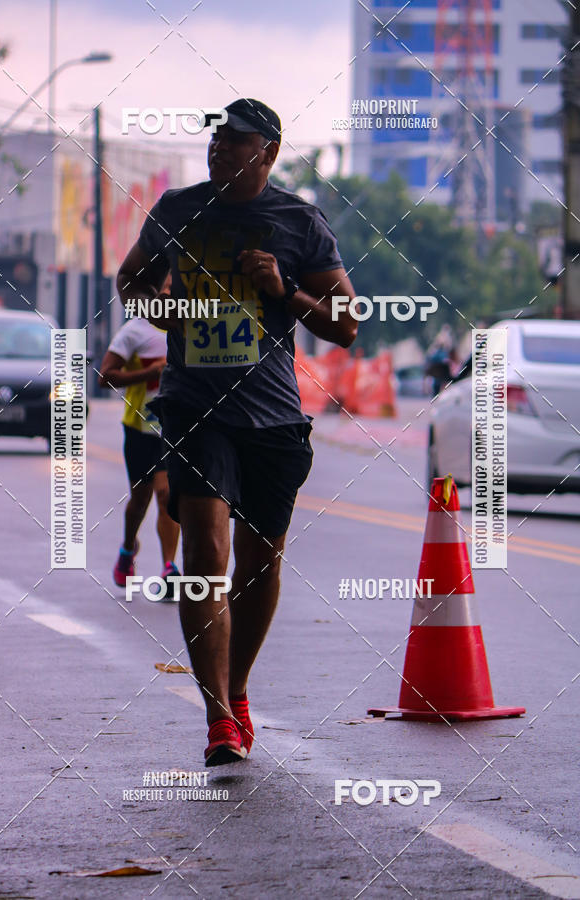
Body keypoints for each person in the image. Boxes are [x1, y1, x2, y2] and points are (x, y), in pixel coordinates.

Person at [117, 98, 357, 766]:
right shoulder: (177, 208)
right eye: (215, 139)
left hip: (273, 416)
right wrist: (160, 309)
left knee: (260, 564)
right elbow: (131, 276)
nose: (218, 149)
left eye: (234, 141)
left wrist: (284, 290)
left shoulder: (298, 221)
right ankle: (220, 718)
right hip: (194, 407)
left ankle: (238, 689)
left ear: (269, 151)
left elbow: (344, 324)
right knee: (204, 558)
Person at [99, 314, 180, 596]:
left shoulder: (189, 324)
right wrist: (148, 374)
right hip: (139, 428)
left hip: (173, 428)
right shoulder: (134, 331)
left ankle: (169, 567)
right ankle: (128, 546)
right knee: (140, 498)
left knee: (166, 493)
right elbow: (105, 378)